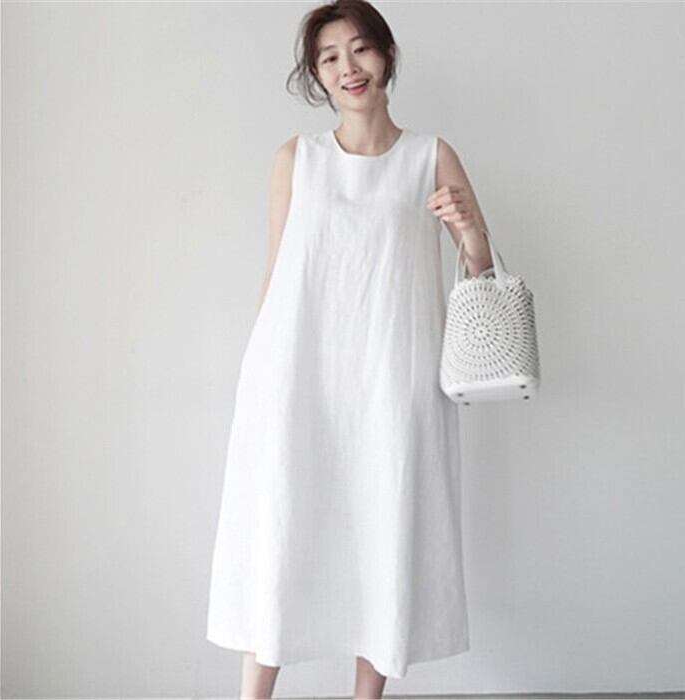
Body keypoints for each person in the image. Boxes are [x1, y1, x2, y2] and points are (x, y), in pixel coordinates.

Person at [206, 1, 494, 698]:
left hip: (393, 379)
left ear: (387, 56)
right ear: (317, 76)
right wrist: (260, 379)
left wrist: (470, 236)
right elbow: (278, 273)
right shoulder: (296, 159)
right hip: (298, 376)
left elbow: (483, 278)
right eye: (330, 58)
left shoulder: (431, 157)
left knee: (383, 529)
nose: (348, 68)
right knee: (284, 527)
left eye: (360, 49)